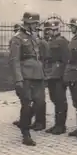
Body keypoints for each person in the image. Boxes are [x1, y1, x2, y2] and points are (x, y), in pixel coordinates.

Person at [8, 12, 46, 146]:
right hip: (25, 76)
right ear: (28, 24)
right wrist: (18, 79)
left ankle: (25, 123)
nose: (36, 26)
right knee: (27, 105)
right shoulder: (17, 39)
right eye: (35, 23)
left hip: (37, 75)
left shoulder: (34, 36)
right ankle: (26, 133)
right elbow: (14, 60)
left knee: (40, 103)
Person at [43, 20, 70, 135]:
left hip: (59, 74)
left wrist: (65, 76)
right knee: (54, 99)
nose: (52, 32)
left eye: (55, 30)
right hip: (51, 74)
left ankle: (61, 126)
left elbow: (66, 60)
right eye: (50, 30)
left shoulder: (63, 42)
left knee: (60, 101)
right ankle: (57, 124)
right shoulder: (49, 41)